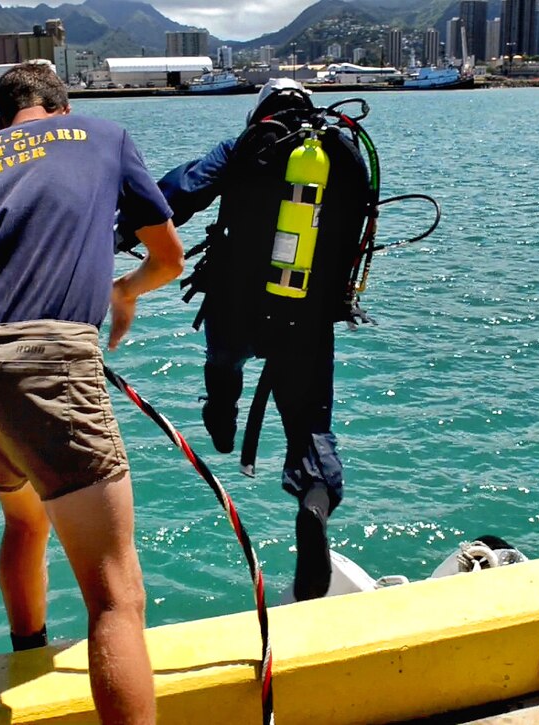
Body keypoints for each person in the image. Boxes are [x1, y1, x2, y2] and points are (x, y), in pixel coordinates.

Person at [0, 61, 184, 723]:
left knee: (25, 519)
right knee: (116, 595)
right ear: (63, 108)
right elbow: (169, 257)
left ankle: (28, 653)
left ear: (1, 122)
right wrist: (121, 292)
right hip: (52, 363)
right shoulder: (102, 136)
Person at [155, 78, 373, 601]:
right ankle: (314, 504)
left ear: (260, 112)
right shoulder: (342, 154)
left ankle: (223, 421)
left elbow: (176, 194)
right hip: (306, 315)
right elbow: (359, 236)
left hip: (235, 310)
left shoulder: (247, 145)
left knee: (224, 365)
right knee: (309, 427)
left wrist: (114, 233)